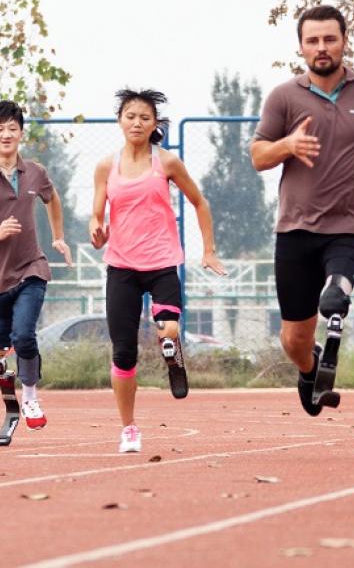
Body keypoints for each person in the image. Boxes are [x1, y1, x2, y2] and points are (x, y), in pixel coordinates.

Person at [250, 5, 354, 415]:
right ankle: (311, 368)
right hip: (295, 228)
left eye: (329, 39)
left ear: (344, 40)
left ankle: (338, 295)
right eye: (313, 41)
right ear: (301, 47)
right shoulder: (284, 97)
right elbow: (257, 155)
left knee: (334, 296)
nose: (321, 48)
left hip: (350, 223)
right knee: (293, 341)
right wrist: (286, 146)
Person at [89, 89, 226, 454]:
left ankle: (173, 352)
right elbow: (96, 215)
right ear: (120, 121)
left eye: (145, 118)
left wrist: (208, 250)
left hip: (163, 261)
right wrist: (97, 230)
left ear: (154, 125)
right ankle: (129, 429)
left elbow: (200, 202)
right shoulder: (106, 166)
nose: (137, 122)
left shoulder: (166, 163)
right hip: (121, 267)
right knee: (123, 354)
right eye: (130, 116)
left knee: (168, 327)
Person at [0, 100, 73, 432]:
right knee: (0, 348)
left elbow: (53, 199)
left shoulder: (35, 172)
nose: (6, 134)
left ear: (21, 132)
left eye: (12, 128)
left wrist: (58, 237)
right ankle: (4, 374)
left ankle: (31, 396)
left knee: (24, 335)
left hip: (31, 267)